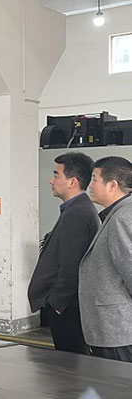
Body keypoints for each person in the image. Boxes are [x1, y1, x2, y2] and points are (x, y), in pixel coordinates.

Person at [28, 152, 99, 354]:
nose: (51, 180)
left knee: (71, 361)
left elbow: (72, 267)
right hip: (67, 305)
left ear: (72, 182)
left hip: (67, 307)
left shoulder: (77, 214)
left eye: (56, 175)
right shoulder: (77, 209)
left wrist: (57, 304)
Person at [79, 156, 132, 362]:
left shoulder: (123, 217)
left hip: (118, 330)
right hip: (112, 329)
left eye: (94, 179)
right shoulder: (116, 214)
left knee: (117, 379)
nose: (90, 185)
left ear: (112, 185)